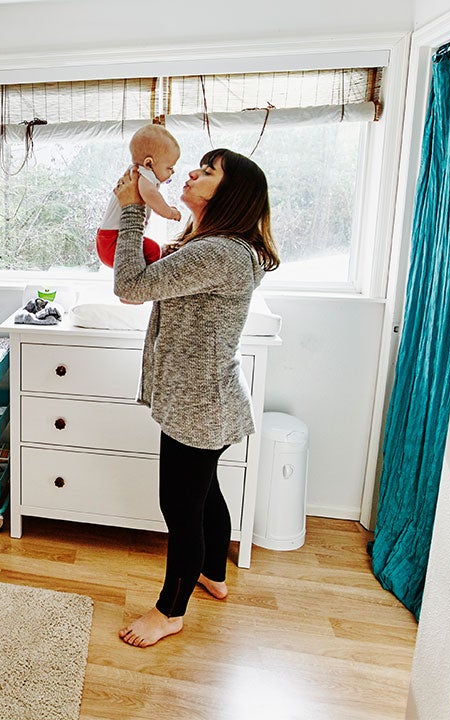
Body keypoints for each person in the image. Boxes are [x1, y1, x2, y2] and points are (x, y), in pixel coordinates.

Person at [111, 148, 279, 648]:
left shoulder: (218, 252)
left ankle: (170, 612)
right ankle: (214, 574)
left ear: (229, 194)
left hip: (200, 406)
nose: (192, 173)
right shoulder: (221, 246)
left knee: (180, 508)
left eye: (207, 172)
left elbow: (129, 286)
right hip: (209, 399)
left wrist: (133, 210)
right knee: (204, 496)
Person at [95, 124, 183, 269]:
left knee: (152, 250)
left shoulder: (137, 173)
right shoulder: (144, 174)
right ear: (149, 163)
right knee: (154, 250)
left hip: (106, 240)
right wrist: (170, 212)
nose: (172, 172)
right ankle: (143, 275)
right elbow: (151, 195)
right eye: (169, 167)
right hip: (114, 241)